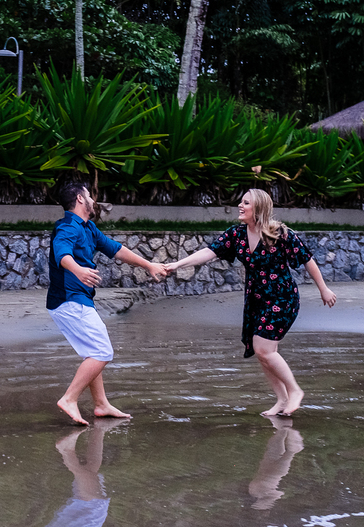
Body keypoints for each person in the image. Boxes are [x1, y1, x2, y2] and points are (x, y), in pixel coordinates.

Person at [160, 188, 336, 417]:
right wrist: (176, 265)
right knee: (262, 350)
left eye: (246, 203)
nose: (240, 206)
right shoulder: (237, 235)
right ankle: (281, 399)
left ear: (259, 208)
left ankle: (294, 391)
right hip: (256, 300)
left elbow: (307, 260)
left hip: (282, 298)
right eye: (241, 202)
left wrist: (324, 289)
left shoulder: (280, 233)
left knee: (264, 348)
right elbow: (209, 252)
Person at [49, 181, 164, 425]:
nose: (93, 200)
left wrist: (148, 265)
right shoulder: (69, 226)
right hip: (70, 300)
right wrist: (78, 270)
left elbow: (116, 249)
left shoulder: (88, 228)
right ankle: (69, 398)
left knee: (93, 351)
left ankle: (101, 404)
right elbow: (62, 252)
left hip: (76, 301)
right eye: (89, 195)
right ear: (80, 199)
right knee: (102, 351)